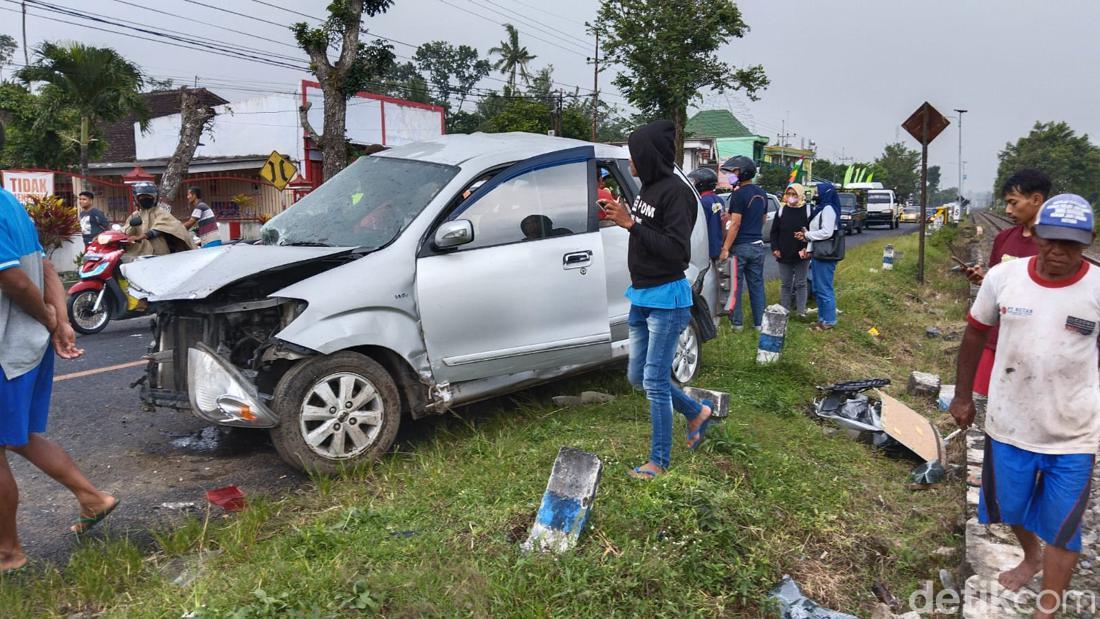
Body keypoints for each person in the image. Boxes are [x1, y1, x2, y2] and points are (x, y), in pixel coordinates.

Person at [950, 194, 1099, 619]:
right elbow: (975, 334)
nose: (1057, 252)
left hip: (1074, 433)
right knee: (1009, 509)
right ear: (1037, 236)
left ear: (1087, 242)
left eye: (1070, 244)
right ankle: (1029, 556)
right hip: (1009, 423)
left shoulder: (1097, 288)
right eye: (1050, 240)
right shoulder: (1004, 278)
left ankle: (1046, 608)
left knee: (1064, 529)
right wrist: (963, 396)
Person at [0, 186, 119, 574]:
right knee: (17, 438)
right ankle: (92, 498)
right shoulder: (9, 201)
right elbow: (46, 265)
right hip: (25, 347)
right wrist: (61, 321)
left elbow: (14, 280)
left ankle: (8, 553)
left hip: (6, 348)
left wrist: (54, 319)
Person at [601, 120, 713, 480]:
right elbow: (647, 231)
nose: (629, 161)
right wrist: (623, 217)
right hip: (642, 294)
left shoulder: (676, 195)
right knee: (639, 377)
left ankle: (658, 463)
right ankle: (696, 412)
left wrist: (632, 225)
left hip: (667, 298)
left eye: (634, 155)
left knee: (653, 380)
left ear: (648, 156)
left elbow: (676, 252)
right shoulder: (645, 188)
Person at [965, 169, 1050, 411]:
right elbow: (997, 281)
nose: (1008, 211)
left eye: (1013, 203)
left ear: (1035, 200)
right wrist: (984, 279)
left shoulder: (1055, 245)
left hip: (1037, 338)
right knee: (994, 404)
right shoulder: (1004, 238)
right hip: (999, 336)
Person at [717, 155, 767, 332]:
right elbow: (763, 219)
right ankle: (760, 323)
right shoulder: (761, 193)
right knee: (757, 286)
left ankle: (737, 324)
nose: (731, 174)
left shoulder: (738, 195)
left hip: (741, 247)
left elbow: (736, 224)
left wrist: (725, 248)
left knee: (735, 287)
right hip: (758, 246)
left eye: (734, 171)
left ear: (743, 172)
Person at [798, 182, 842, 331]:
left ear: (826, 193)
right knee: (818, 288)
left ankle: (828, 321)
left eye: (818, 191)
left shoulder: (828, 209)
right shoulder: (822, 209)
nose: (815, 194)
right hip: (819, 253)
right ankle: (822, 319)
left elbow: (827, 232)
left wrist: (808, 234)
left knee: (824, 288)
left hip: (826, 255)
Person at [771, 183, 811, 317]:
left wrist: (808, 247)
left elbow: (813, 231)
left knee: (801, 283)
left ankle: (801, 311)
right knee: (785, 284)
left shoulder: (808, 210)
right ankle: (784, 311)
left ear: (800, 195)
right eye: (789, 194)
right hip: (784, 253)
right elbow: (774, 232)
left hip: (802, 254)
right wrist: (775, 248)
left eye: (794, 195)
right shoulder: (782, 210)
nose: (791, 197)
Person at [125, 182, 196, 256]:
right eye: (141, 197)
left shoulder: (161, 212)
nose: (145, 199)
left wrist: (140, 237)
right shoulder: (135, 215)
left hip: (159, 253)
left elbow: (157, 230)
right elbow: (126, 232)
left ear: (154, 198)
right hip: (140, 253)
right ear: (136, 199)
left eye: (148, 196)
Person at [687, 167, 725, 261]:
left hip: (705, 248)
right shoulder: (720, 200)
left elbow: (698, 226)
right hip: (717, 245)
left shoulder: (702, 203)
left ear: (701, 184)